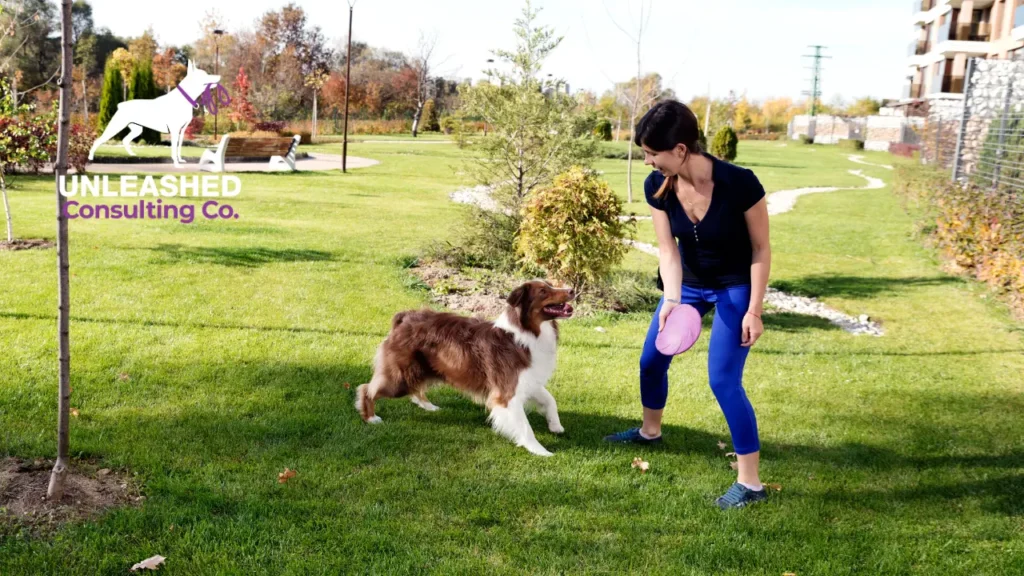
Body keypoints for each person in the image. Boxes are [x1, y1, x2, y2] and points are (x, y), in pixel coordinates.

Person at [604, 100, 772, 510]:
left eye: (651, 153)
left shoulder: (740, 183)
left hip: (733, 285)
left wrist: (754, 309)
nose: (646, 161)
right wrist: (673, 300)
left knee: (723, 380)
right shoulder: (657, 187)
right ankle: (650, 431)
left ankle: (750, 483)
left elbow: (761, 248)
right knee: (651, 359)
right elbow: (667, 250)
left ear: (680, 150)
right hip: (690, 286)